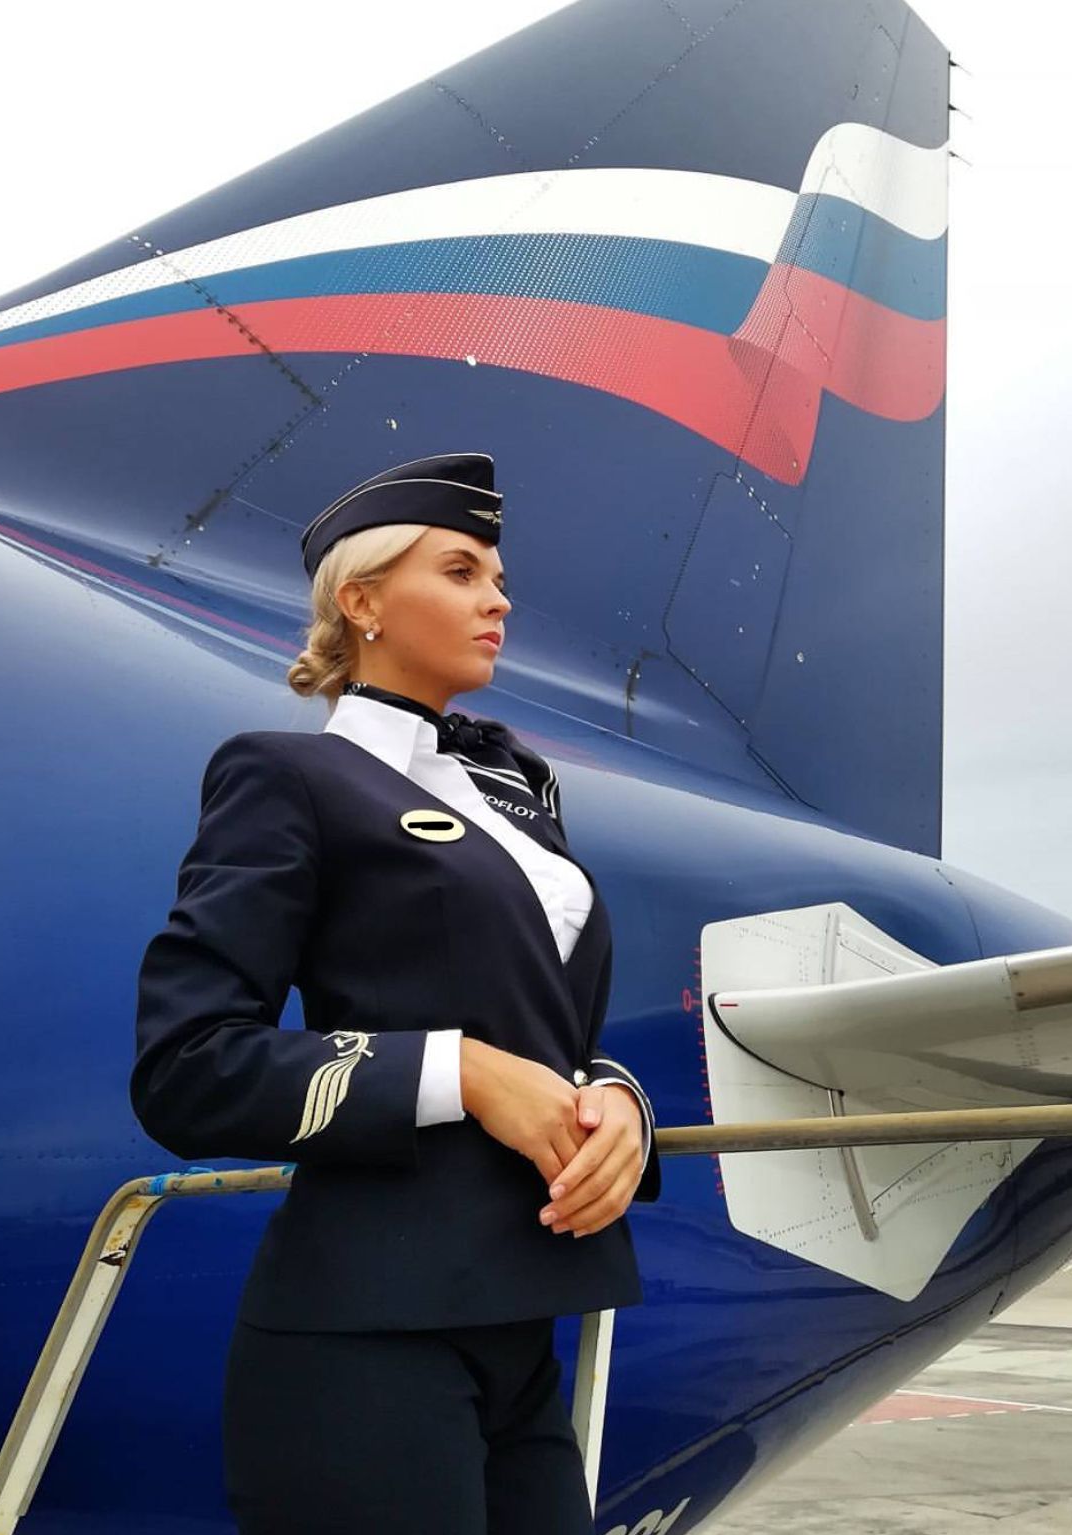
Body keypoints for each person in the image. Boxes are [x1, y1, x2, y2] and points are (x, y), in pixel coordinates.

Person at [129, 451, 662, 1535]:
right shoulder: (289, 777)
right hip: (363, 1333)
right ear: (362, 601)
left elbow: (549, 1029)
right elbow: (188, 1065)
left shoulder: (518, 796)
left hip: (520, 1328)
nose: (498, 599)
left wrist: (617, 1100)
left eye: (498, 578)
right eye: (461, 571)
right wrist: (462, 1070)